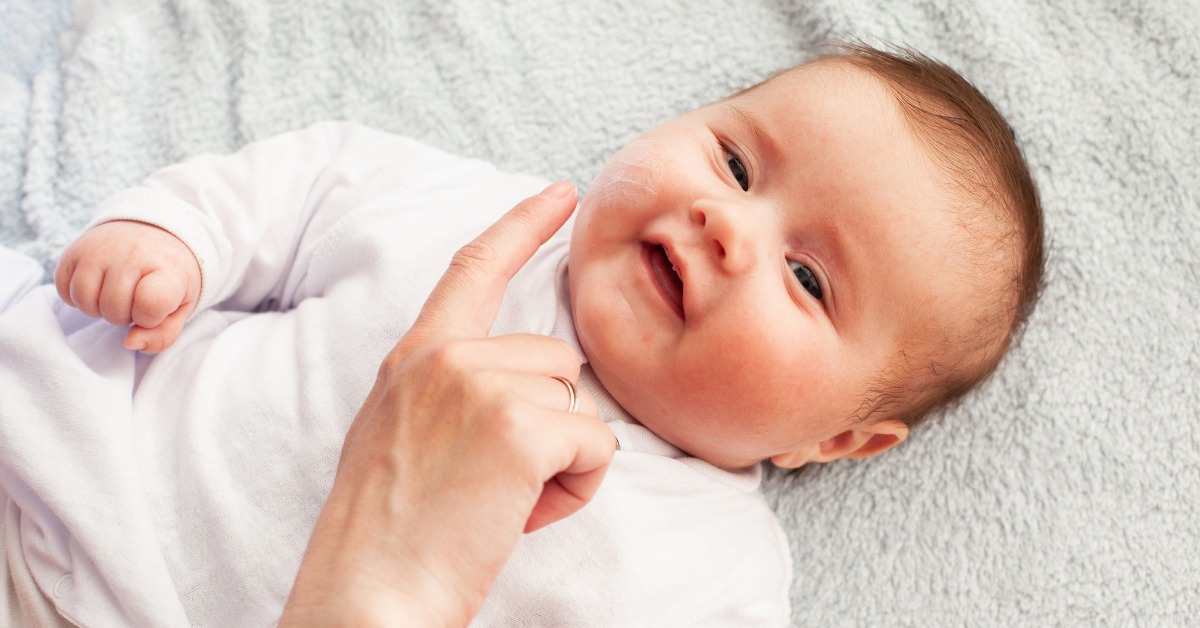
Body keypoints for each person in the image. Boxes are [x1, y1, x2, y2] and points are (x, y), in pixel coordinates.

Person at [0, 43, 1044, 626]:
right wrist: (177, 235)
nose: (729, 224)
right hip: (53, 460)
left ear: (838, 438)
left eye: (808, 278)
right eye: (734, 162)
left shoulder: (715, 581)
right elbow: (312, 183)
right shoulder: (487, 216)